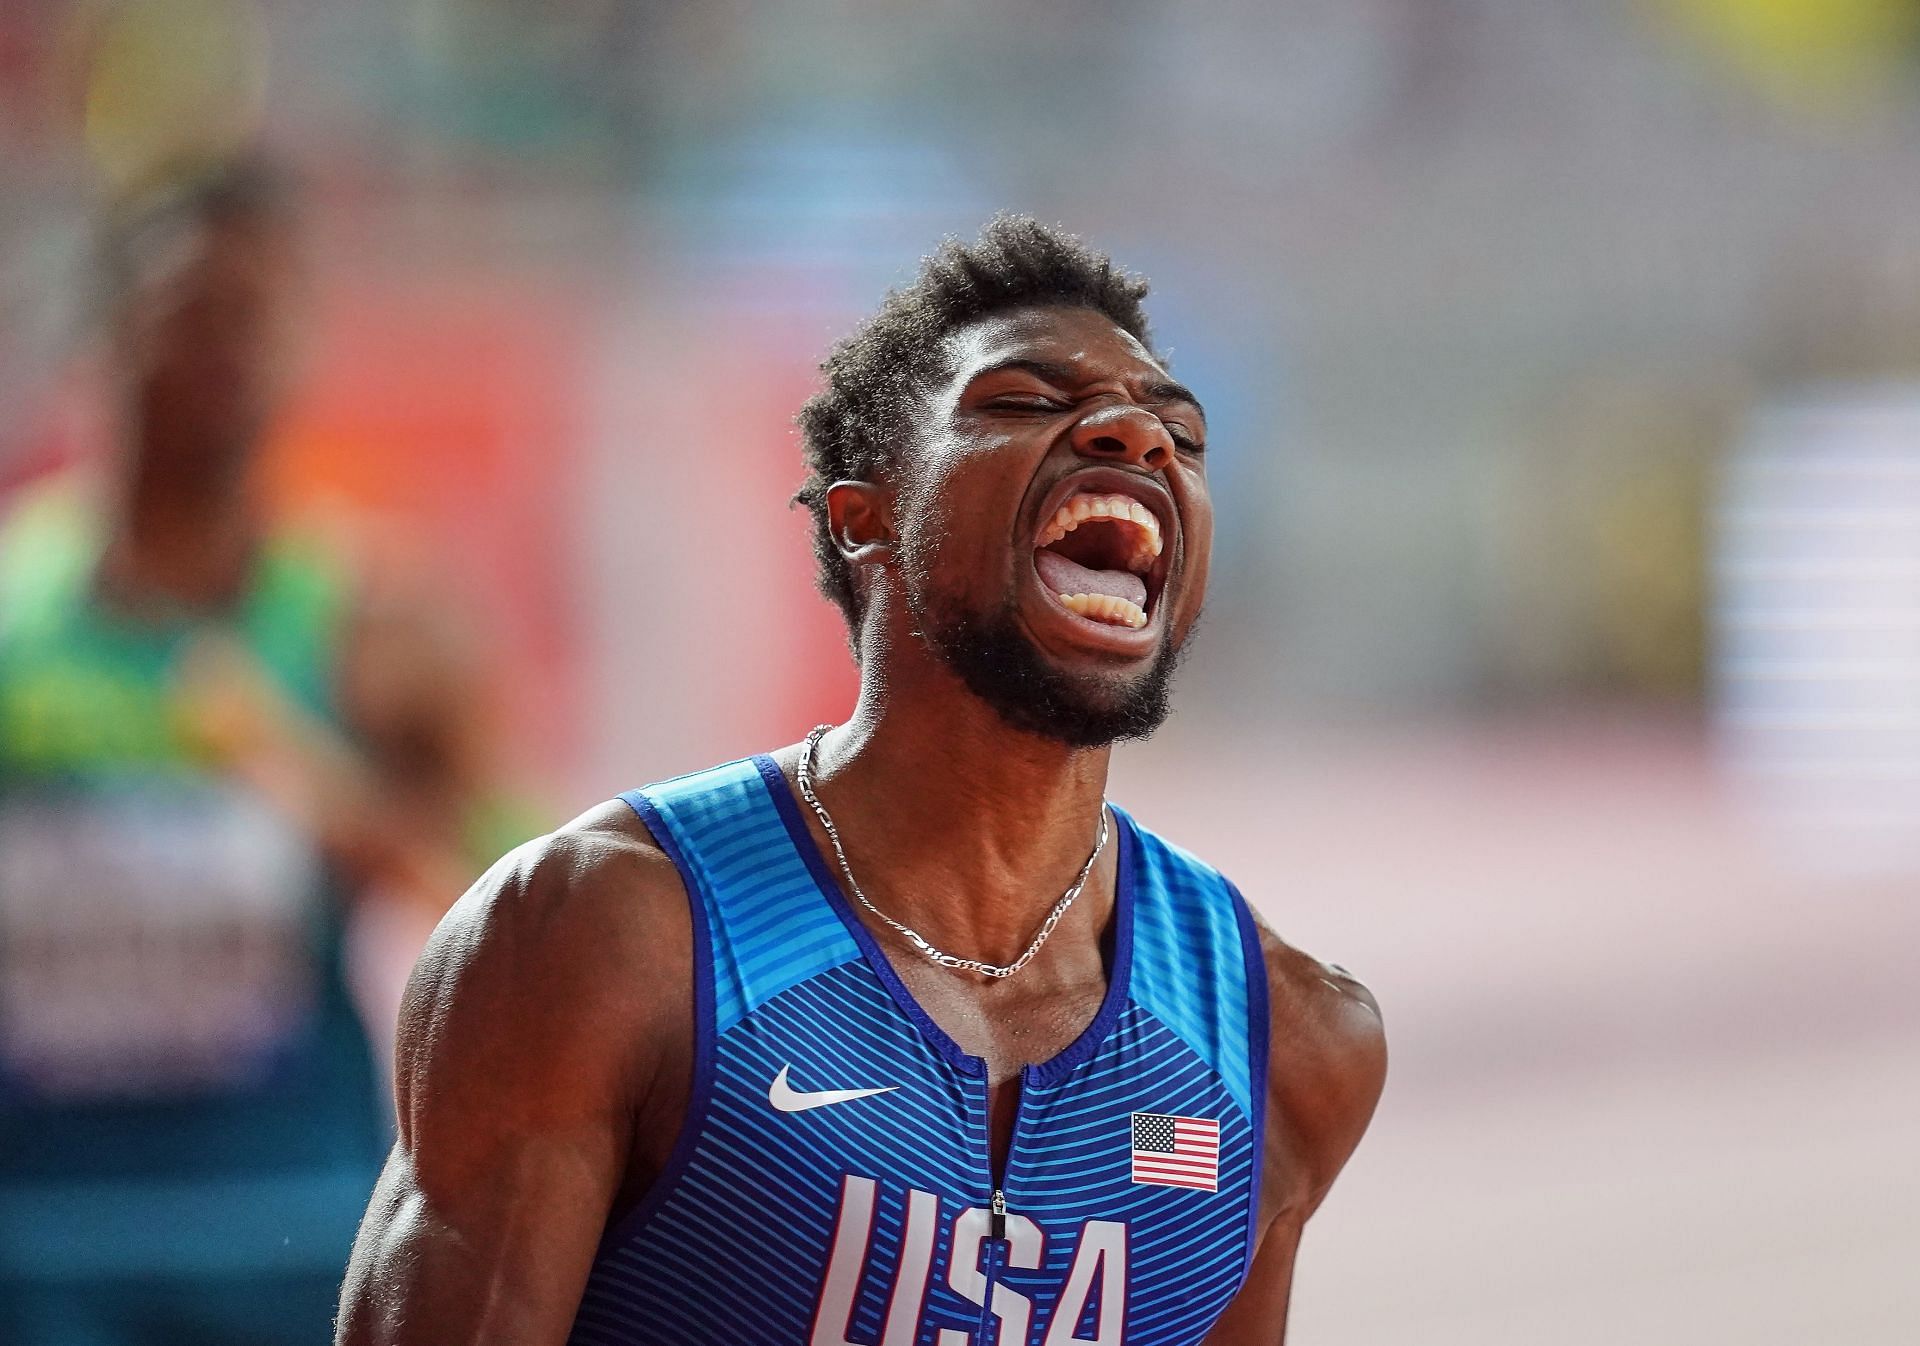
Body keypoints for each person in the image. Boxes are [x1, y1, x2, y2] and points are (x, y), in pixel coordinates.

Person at [336, 215, 1387, 1346]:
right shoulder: (601, 937)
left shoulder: (1287, 1039)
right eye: (1025, 402)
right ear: (864, 517)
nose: (1135, 437)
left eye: (1179, 435)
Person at [0, 160, 499, 1344]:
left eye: (257, 318)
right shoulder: (11, 621)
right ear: (111, 332)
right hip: (39, 1237)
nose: (228, 355)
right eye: (195, 311)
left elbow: (509, 903)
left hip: (287, 1233)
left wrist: (320, 792)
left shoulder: (373, 623)